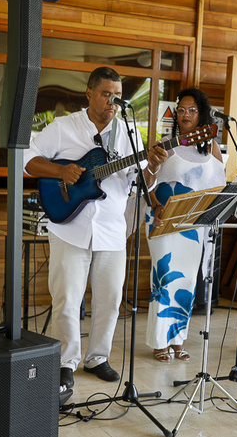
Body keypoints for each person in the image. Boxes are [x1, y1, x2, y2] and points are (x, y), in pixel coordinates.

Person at [24, 66, 165, 393]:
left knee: (110, 299)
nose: (111, 102)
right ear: (89, 93)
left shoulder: (129, 134)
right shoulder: (64, 127)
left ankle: (98, 358)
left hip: (113, 231)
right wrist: (61, 170)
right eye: (105, 94)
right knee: (67, 299)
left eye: (116, 96)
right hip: (69, 227)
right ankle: (66, 362)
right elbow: (28, 159)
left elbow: (142, 182)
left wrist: (154, 165)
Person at [144, 87, 224, 362]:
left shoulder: (210, 145)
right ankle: (159, 342)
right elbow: (148, 182)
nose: (185, 114)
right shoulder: (164, 143)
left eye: (192, 110)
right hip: (162, 218)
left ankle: (178, 339)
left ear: (201, 114)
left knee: (188, 282)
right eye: (181, 110)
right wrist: (155, 205)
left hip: (193, 223)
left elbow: (218, 185)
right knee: (164, 278)